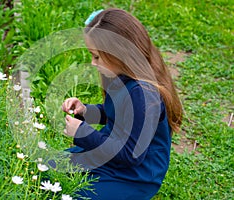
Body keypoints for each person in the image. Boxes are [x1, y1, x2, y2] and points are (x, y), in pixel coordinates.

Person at [61, 8, 183, 200]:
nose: (93, 63)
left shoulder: (144, 95)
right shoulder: (121, 78)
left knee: (77, 194)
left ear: (119, 54)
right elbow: (114, 114)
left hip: (135, 175)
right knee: (51, 168)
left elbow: (130, 156)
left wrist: (82, 133)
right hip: (111, 156)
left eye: (96, 56)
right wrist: (86, 111)